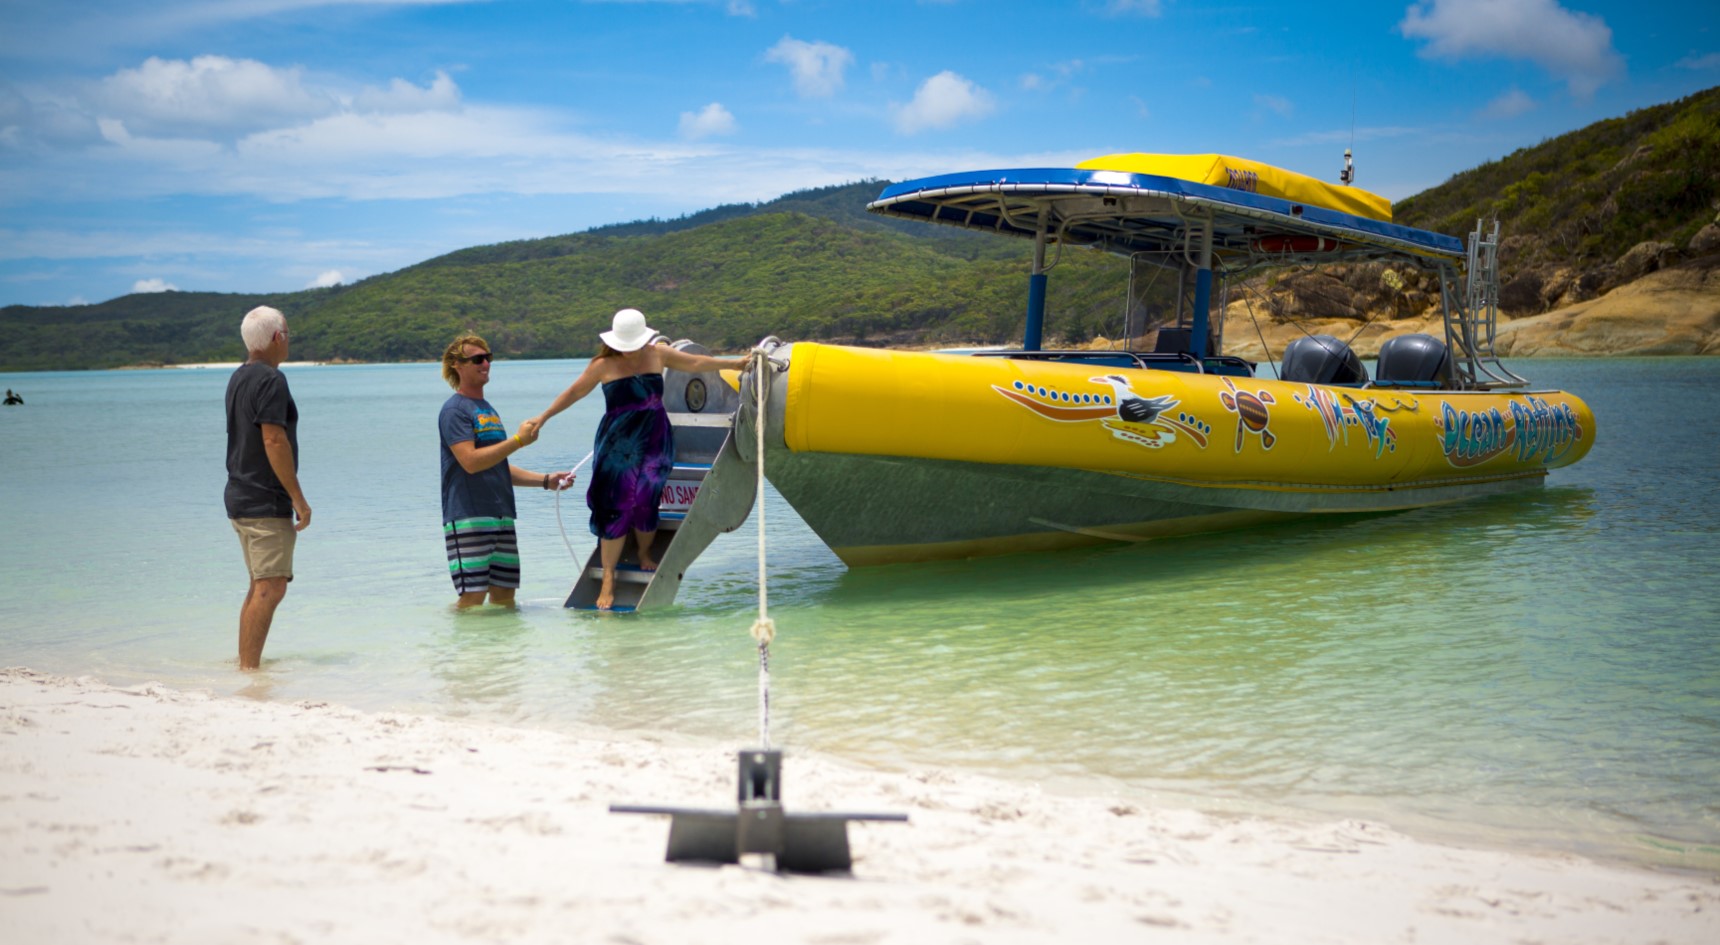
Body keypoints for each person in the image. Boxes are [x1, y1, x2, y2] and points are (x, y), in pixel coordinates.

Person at [522, 308, 749, 610]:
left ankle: (643, 552)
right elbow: (574, 393)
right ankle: (608, 578)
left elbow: (696, 362)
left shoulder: (658, 354)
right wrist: (543, 417)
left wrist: (735, 362)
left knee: (647, 498)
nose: (629, 352)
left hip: (655, 437)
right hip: (617, 442)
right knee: (613, 506)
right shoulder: (602, 365)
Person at [439, 333, 574, 609]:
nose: (485, 363)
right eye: (477, 359)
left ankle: (502, 653)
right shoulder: (454, 411)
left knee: (504, 598)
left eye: (488, 358)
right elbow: (471, 462)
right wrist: (517, 441)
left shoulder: (486, 409)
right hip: (469, 515)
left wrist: (546, 481)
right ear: (458, 365)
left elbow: (496, 465)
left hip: (501, 516)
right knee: (472, 597)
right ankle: (459, 652)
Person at [224, 305, 311, 670]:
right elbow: (274, 440)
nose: (289, 339)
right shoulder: (272, 380)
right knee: (271, 587)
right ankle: (249, 668)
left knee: (260, 584)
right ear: (278, 338)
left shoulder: (239, 376)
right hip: (263, 497)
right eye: (288, 333)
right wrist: (298, 498)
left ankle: (246, 664)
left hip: (240, 494)